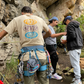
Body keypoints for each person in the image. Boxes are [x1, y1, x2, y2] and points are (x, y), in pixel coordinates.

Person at [0, 6, 52, 84]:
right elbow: (49, 33)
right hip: (41, 55)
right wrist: (42, 37)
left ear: (22, 13)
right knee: (44, 82)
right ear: (31, 13)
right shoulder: (40, 19)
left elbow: (2, 34)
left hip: (27, 57)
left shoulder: (17, 20)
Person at [62, 16, 83, 84]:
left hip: (73, 46)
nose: (66, 24)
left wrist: (65, 40)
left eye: (65, 23)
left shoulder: (70, 25)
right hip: (78, 46)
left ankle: (77, 80)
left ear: (67, 20)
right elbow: (78, 36)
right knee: (76, 63)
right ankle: (77, 78)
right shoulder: (77, 26)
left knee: (75, 64)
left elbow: (72, 36)